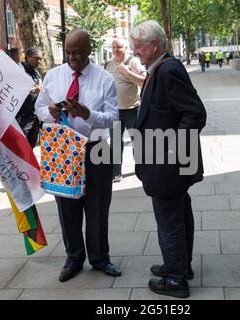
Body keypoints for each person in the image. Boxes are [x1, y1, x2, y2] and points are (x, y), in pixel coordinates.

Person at [35, 28, 121, 282]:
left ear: (89, 50)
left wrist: (88, 114)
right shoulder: (53, 76)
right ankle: (74, 258)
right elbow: (38, 108)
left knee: (97, 207)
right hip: (63, 151)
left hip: (96, 150)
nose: (72, 57)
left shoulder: (104, 79)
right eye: (69, 52)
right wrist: (49, 110)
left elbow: (113, 118)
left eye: (78, 52)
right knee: (67, 208)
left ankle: (99, 259)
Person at [130, 20, 207, 298]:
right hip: (166, 164)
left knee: (169, 219)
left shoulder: (168, 70)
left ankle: (176, 280)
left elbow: (195, 113)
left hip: (167, 165)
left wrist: (171, 151)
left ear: (154, 46)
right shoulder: (160, 69)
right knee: (177, 212)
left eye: (138, 47)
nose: (135, 51)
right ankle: (179, 266)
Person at [104, 38, 146, 183]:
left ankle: (142, 169)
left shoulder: (133, 61)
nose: (115, 50)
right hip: (114, 111)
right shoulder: (108, 64)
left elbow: (143, 81)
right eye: (113, 47)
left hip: (132, 109)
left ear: (126, 48)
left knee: (137, 141)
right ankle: (116, 173)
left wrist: (126, 72)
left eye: (119, 47)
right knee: (115, 142)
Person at [16, 47, 43, 148]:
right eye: (36, 58)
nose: (39, 61)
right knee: (20, 148)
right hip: (23, 117)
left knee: (31, 146)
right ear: (28, 57)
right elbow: (14, 89)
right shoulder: (19, 70)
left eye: (40, 59)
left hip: (35, 117)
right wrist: (30, 90)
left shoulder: (36, 72)